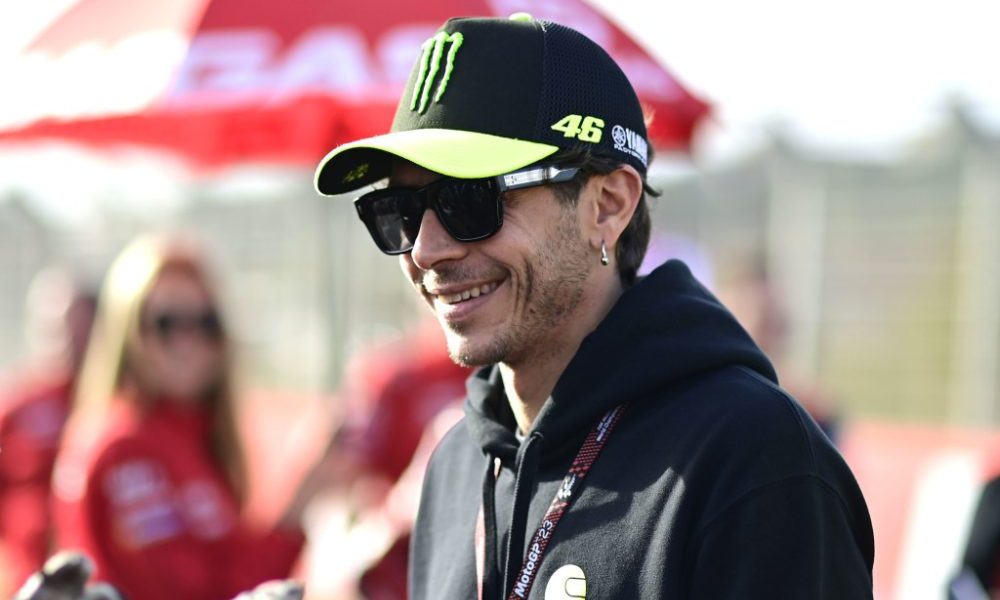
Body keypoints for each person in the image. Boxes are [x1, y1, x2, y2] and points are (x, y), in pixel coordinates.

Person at [314, 13, 875, 599]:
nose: (426, 250)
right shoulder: (456, 463)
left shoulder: (752, 456)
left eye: (469, 199)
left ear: (607, 205)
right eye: (400, 213)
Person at [50, 234, 326, 600]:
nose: (188, 342)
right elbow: (189, 590)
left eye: (205, 323)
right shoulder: (124, 446)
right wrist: (297, 506)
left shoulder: (198, 436)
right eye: (167, 323)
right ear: (129, 331)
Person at [0, 268, 96, 592]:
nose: (67, 336)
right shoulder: (16, 406)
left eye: (78, 325)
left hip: (97, 581)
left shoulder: (114, 405)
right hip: (25, 581)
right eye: (56, 324)